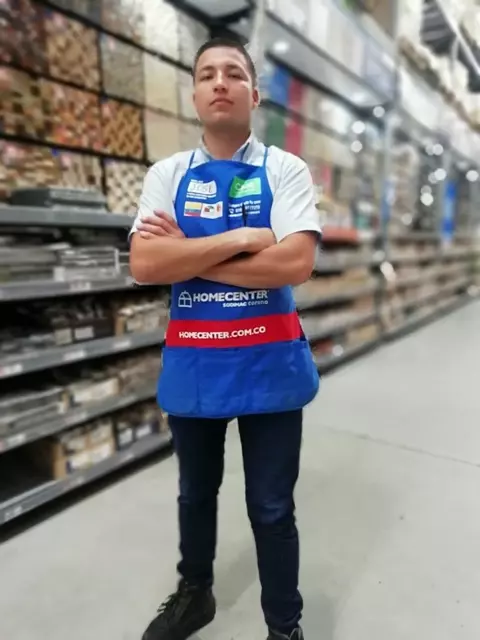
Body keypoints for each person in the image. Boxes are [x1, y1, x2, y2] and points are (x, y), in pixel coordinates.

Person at [129, 36, 321, 640]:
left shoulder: (285, 170)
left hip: (270, 365)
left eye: (234, 73)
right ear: (193, 94)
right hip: (196, 365)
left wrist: (186, 254)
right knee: (195, 494)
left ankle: (284, 626)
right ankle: (197, 595)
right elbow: (145, 264)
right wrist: (243, 240)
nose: (220, 82)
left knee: (272, 506)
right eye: (207, 73)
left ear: (254, 94)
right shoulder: (167, 175)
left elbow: (295, 263)